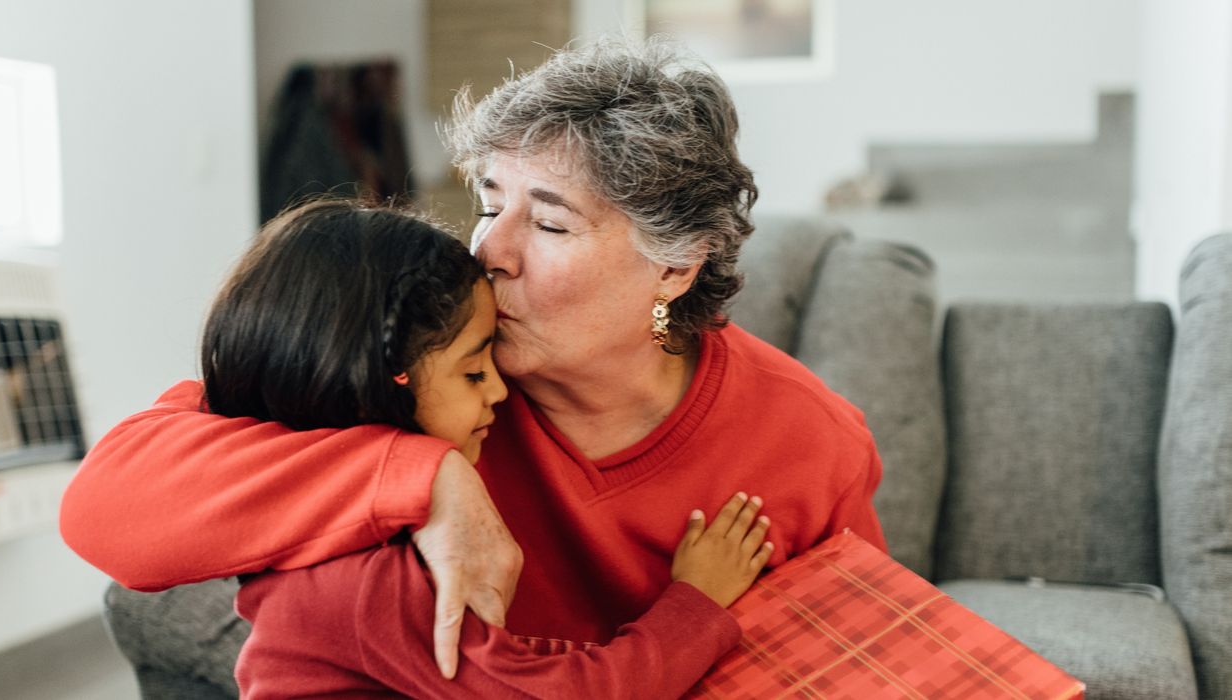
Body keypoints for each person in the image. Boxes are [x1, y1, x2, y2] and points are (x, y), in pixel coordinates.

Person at [61, 36, 887, 682]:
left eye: (551, 223)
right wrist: (426, 480)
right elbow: (104, 512)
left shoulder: (809, 442)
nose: (489, 248)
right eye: (489, 202)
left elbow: (859, 665)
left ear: (674, 264)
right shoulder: (426, 362)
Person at [189, 197, 773, 697]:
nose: (499, 389)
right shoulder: (369, 582)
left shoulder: (342, 523)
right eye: (473, 374)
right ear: (374, 387)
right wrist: (697, 600)